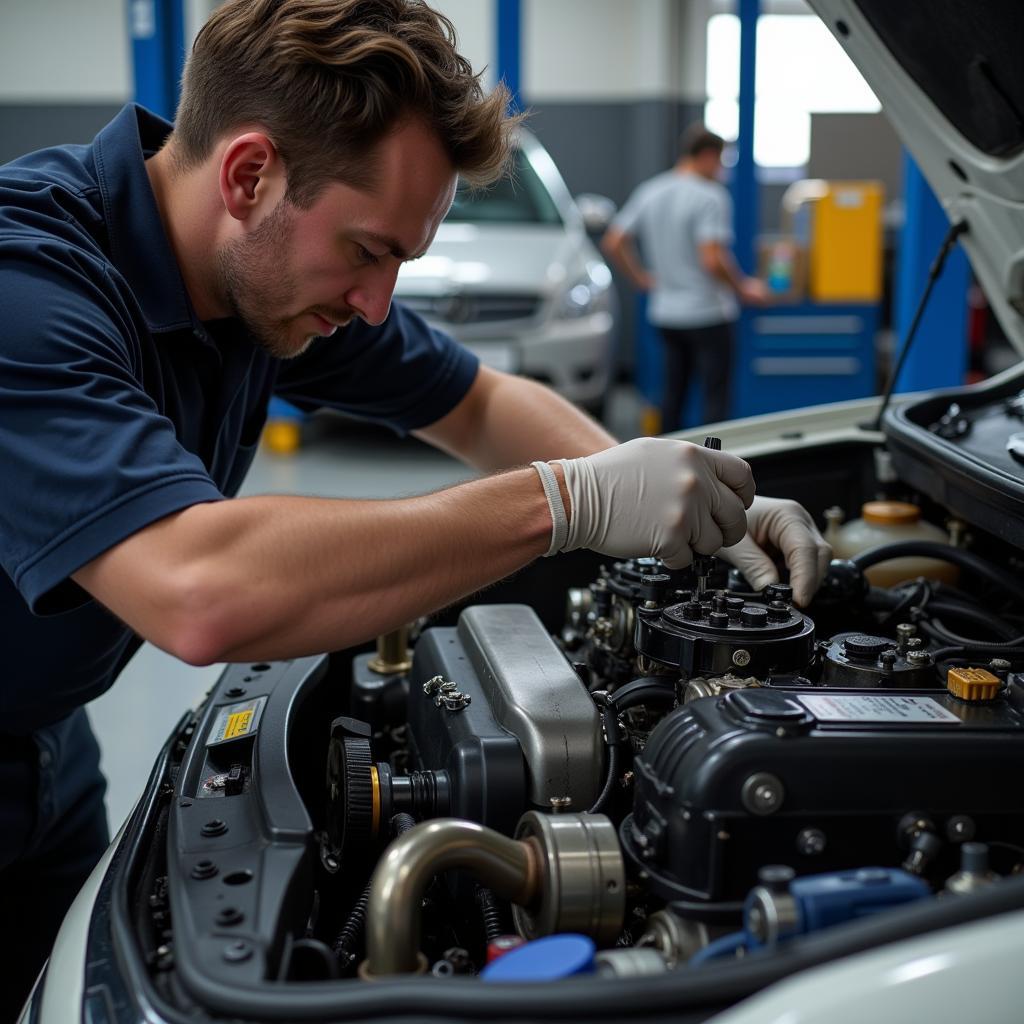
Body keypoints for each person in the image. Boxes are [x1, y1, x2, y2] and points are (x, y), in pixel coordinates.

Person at [0, 1, 830, 1014]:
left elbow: (476, 402)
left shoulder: (260, 268)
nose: (377, 302)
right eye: (367, 251)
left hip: (47, 750)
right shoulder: (28, 282)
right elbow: (197, 589)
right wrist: (566, 504)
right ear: (249, 175)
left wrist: (690, 500)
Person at [602, 124, 769, 430]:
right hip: (709, 314)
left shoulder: (651, 190)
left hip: (666, 313)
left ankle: (667, 464)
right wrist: (743, 287)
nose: (721, 170)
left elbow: (613, 241)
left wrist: (641, 278)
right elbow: (712, 259)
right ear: (707, 156)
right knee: (714, 397)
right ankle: (715, 465)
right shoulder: (710, 196)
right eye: (721, 162)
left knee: (673, 393)